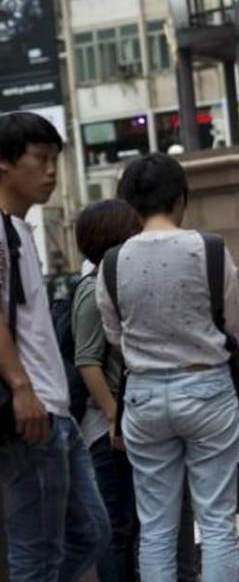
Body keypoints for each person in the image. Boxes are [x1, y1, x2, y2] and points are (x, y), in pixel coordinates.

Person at [95, 154, 239, 582]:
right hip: (206, 387)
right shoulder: (210, 249)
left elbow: (114, 336)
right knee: (216, 520)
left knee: (156, 527)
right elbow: (233, 325)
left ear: (130, 204)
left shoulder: (112, 262)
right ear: (181, 198)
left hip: (143, 395)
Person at [0, 112, 110, 581]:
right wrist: (21, 387)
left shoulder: (19, 231)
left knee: (90, 533)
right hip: (32, 411)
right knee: (38, 551)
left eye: (54, 160)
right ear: (4, 163)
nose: (50, 172)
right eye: (40, 159)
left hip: (55, 410)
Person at [74, 199, 200, 582]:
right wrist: (115, 417)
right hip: (110, 430)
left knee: (153, 518)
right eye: (133, 227)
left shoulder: (120, 282)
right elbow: (87, 360)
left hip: (136, 417)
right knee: (119, 524)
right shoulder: (92, 289)